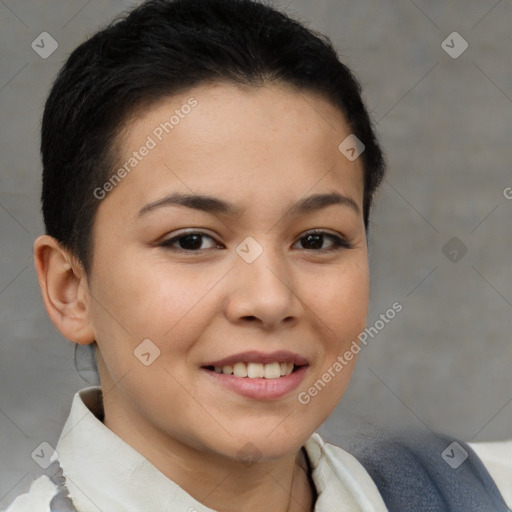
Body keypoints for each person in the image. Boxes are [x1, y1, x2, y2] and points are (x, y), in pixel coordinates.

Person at [3, 1, 510, 511]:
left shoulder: (473, 493)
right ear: (70, 290)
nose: (269, 299)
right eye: (192, 241)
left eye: (316, 240)